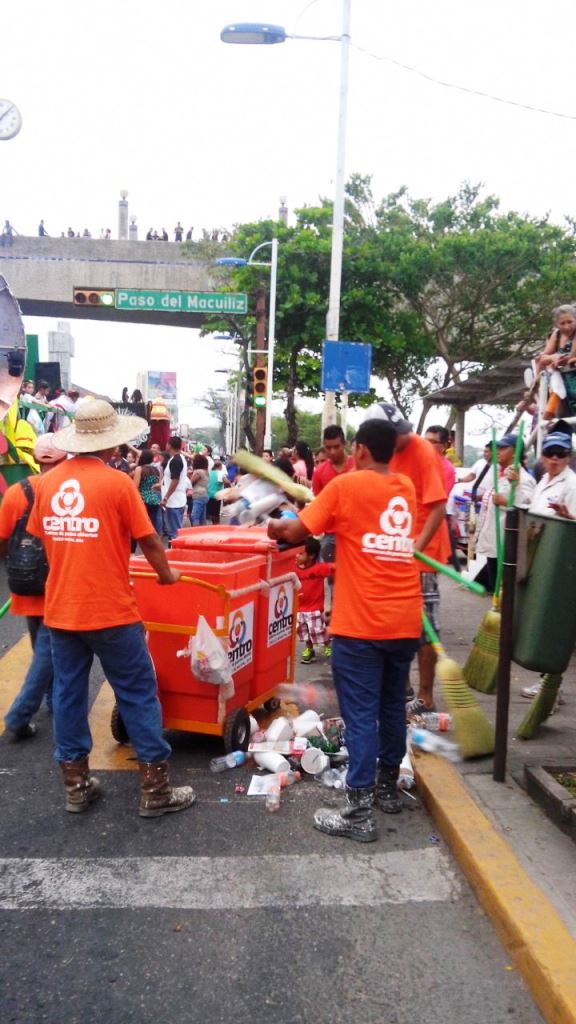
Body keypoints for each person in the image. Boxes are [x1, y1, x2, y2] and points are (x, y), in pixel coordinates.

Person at [26, 400, 195, 818]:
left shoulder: (45, 484)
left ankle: (77, 786)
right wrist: (167, 575)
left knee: (67, 694)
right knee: (138, 692)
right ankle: (155, 791)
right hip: (112, 612)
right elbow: (151, 540)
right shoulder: (118, 484)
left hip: (62, 611)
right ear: (111, 442)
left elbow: (39, 540)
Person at [268, 419, 422, 842]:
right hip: (404, 621)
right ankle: (388, 789)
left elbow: (297, 531)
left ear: (361, 450)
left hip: (361, 626)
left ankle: (357, 814)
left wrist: (275, 526)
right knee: (392, 708)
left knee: (359, 717)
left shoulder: (347, 486)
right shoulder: (405, 489)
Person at [367, 403, 451, 715]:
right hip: (389, 551)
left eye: (403, 430)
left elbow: (438, 508)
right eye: (395, 434)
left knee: (425, 626)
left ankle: (426, 697)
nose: (403, 438)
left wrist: (416, 547)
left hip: (422, 553)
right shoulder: (378, 452)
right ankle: (401, 689)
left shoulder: (423, 451)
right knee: (396, 625)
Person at [0, 435, 67, 739]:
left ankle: (53, 702)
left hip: (25, 582)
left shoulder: (16, 492)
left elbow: (2, 539)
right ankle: (19, 714)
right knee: (49, 652)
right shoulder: (65, 493)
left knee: (43, 645)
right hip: (59, 585)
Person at [474, 433, 535, 594]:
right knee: (496, 592)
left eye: (502, 448)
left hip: (506, 546)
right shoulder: (501, 475)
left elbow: (528, 506)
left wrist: (507, 501)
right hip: (494, 542)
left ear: (515, 452)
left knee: (506, 595)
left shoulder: (523, 478)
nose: (497, 451)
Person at [295, 537, 334, 664]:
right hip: (299, 608)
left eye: (301, 553)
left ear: (311, 555)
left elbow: (333, 568)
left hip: (315, 608)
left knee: (318, 630)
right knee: (304, 631)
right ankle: (309, 650)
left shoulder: (319, 568)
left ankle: (328, 645)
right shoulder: (294, 569)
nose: (297, 555)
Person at [160, 435, 188, 539]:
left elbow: (175, 480)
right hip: (175, 500)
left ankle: (177, 554)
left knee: (175, 534)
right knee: (175, 532)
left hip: (174, 501)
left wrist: (166, 497)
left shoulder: (176, 460)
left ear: (169, 445)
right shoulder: (177, 459)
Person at [132, 448, 162, 532]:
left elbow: (135, 486)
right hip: (154, 499)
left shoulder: (139, 469)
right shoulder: (156, 470)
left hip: (143, 499)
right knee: (152, 524)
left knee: (142, 525)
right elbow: (159, 485)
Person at [189, 454, 210, 526]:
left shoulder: (198, 472)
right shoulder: (206, 472)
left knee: (194, 516)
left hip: (198, 495)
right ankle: (203, 533)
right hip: (205, 495)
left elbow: (190, 483)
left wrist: (188, 475)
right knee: (202, 518)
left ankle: (196, 533)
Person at [207, 459, 229, 524]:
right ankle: (216, 526)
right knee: (215, 514)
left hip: (208, 494)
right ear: (220, 466)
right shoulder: (221, 473)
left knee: (210, 513)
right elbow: (227, 482)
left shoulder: (210, 472)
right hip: (216, 495)